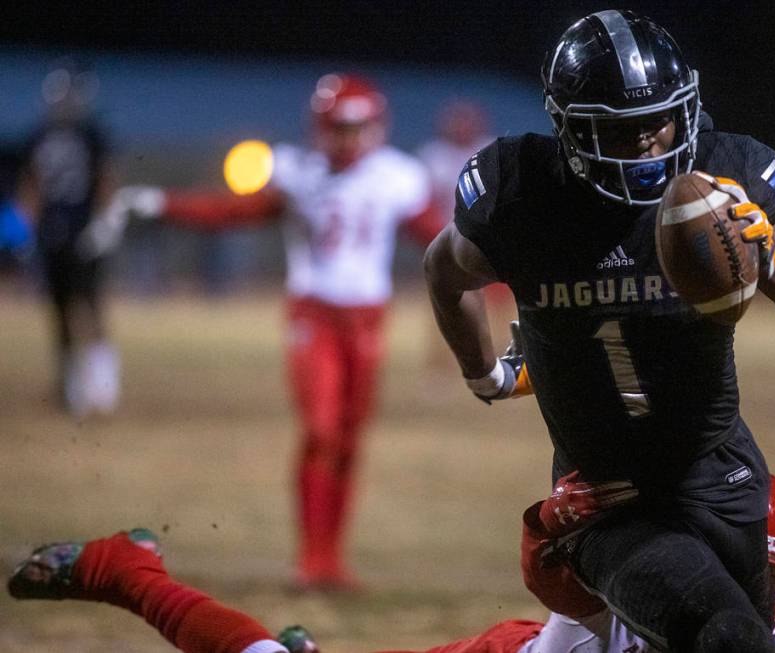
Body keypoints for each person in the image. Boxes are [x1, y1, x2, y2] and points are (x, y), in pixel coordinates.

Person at [423, 9, 775, 652]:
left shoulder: (727, 175)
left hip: (722, 474)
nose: (649, 143)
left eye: (661, 120)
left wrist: (766, 260)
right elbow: (442, 272)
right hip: (608, 495)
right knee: (724, 633)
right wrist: (484, 372)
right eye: (623, 129)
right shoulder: (524, 193)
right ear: (570, 131)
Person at [121, 73, 442, 591]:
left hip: (367, 316)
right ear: (321, 127)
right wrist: (164, 204)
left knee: (349, 438)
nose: (350, 139)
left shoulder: (397, 176)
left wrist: (508, 257)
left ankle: (332, 558)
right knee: (321, 430)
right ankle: (311, 557)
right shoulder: (298, 172)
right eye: (340, 127)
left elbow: (439, 236)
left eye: (358, 127)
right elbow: (234, 212)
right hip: (314, 312)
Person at [6, 475, 775, 653]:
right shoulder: (652, 591)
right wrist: (547, 520)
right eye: (758, 572)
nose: (770, 595)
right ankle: (127, 569)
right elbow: (551, 577)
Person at [16, 57, 121, 418]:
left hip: (83, 232)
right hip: (52, 234)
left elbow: (106, 179)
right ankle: (70, 389)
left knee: (90, 308)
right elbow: (32, 187)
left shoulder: (90, 134)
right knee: (59, 312)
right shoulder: (39, 136)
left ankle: (103, 389)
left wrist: (105, 222)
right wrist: (26, 230)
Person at [416, 101, 513, 373]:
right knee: (444, 303)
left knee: (499, 306)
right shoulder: (433, 157)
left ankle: (504, 360)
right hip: (449, 239)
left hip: (486, 240)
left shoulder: (490, 151)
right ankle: (442, 365)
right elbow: (425, 201)